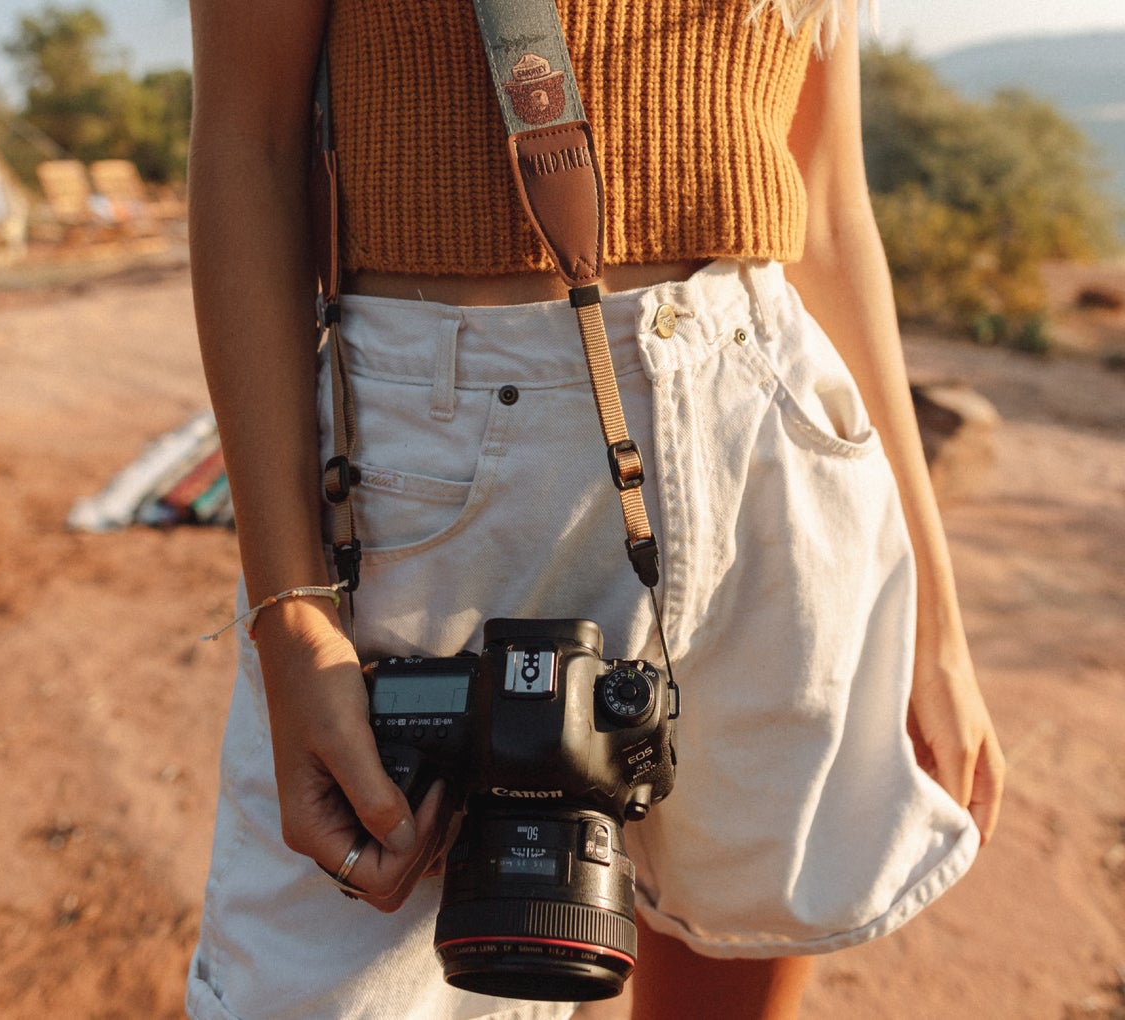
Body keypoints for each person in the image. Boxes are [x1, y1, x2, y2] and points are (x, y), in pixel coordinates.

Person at [182, 0, 1008, 1016]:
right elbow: (245, 144)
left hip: (773, 440)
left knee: (737, 950)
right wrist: (292, 613)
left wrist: (936, 617)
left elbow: (829, 204)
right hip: (448, 458)